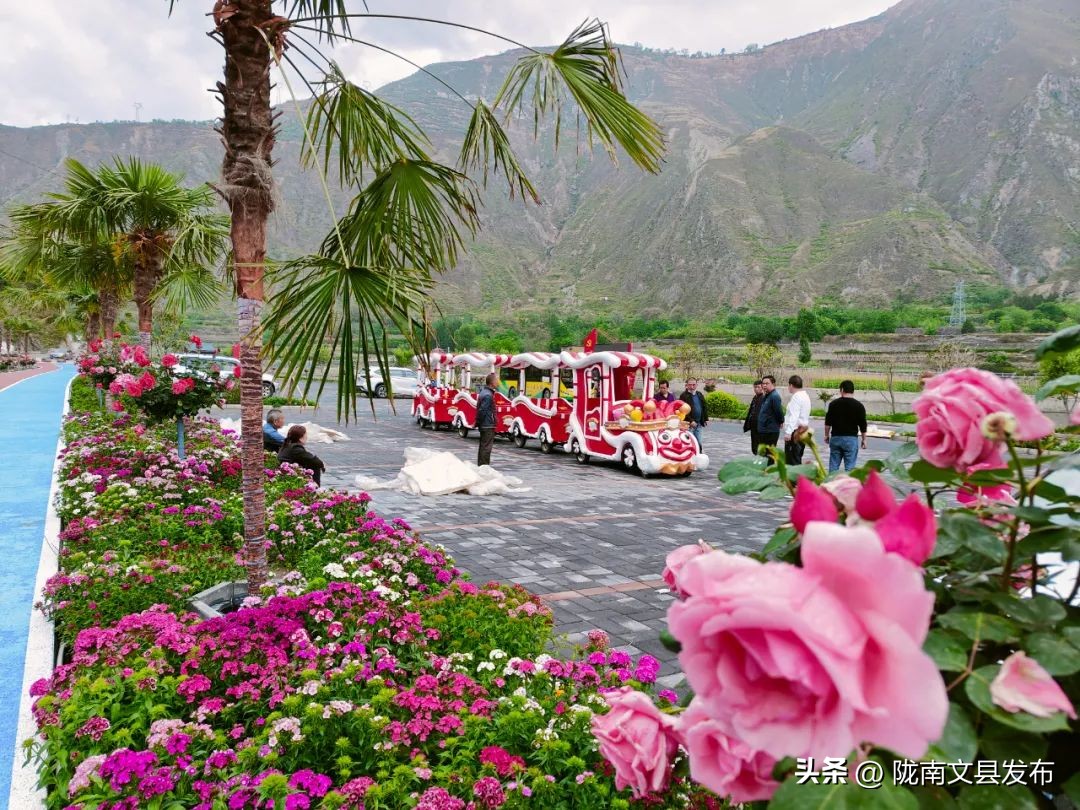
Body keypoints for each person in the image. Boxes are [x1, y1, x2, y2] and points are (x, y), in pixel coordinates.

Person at [824, 380, 868, 472]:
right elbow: (863, 425)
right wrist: (864, 440)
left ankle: (831, 484)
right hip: (851, 440)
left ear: (842, 390)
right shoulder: (859, 406)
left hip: (836, 438)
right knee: (850, 469)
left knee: (833, 468)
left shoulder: (833, 404)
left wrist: (826, 435)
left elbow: (828, 423)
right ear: (853, 391)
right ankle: (848, 485)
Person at [783, 374, 812, 465]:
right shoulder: (805, 396)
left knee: (792, 460)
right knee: (797, 457)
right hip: (803, 430)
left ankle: (794, 479)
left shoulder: (796, 397)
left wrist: (788, 432)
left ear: (791, 385)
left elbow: (794, 416)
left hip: (795, 432)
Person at [756, 375, 784, 463]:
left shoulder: (774, 396)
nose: (764, 385)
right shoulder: (767, 396)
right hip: (763, 430)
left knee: (769, 455)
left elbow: (778, 411)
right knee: (763, 454)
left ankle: (769, 473)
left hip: (770, 431)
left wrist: (781, 421)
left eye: (767, 383)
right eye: (763, 383)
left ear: (773, 384)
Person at [679, 377, 708, 448]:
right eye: (690, 385)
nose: (692, 387)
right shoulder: (683, 396)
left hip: (699, 424)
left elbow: (704, 407)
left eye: (694, 385)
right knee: (689, 444)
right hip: (688, 425)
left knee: (699, 443)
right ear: (687, 385)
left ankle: (699, 457)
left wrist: (705, 419)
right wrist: (691, 421)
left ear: (696, 385)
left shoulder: (699, 394)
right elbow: (682, 411)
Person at [476, 371, 497, 467]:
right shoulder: (488, 395)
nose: (498, 382)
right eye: (496, 380)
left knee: (483, 446)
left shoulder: (484, 392)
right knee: (486, 448)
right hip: (487, 424)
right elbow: (482, 410)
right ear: (492, 382)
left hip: (485, 424)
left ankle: (481, 466)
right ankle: (484, 467)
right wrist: (479, 421)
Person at [742, 380, 764, 456]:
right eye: (755, 387)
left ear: (762, 388)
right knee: (754, 444)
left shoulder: (764, 398)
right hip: (753, 426)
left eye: (758, 387)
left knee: (758, 445)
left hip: (760, 426)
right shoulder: (755, 397)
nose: (756, 389)